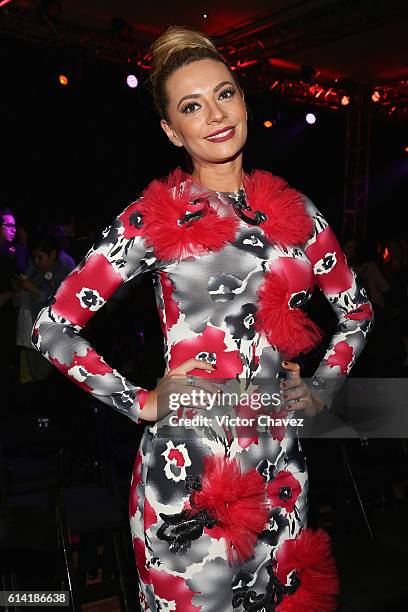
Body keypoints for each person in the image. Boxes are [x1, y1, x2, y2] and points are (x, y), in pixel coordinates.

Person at [32, 26, 374, 611]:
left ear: (243, 100)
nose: (214, 115)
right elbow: (52, 327)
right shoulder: (153, 218)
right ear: (171, 130)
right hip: (187, 474)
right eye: (192, 106)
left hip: (280, 474)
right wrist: (138, 400)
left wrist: (320, 390)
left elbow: (357, 310)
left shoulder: (297, 213)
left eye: (225, 94)